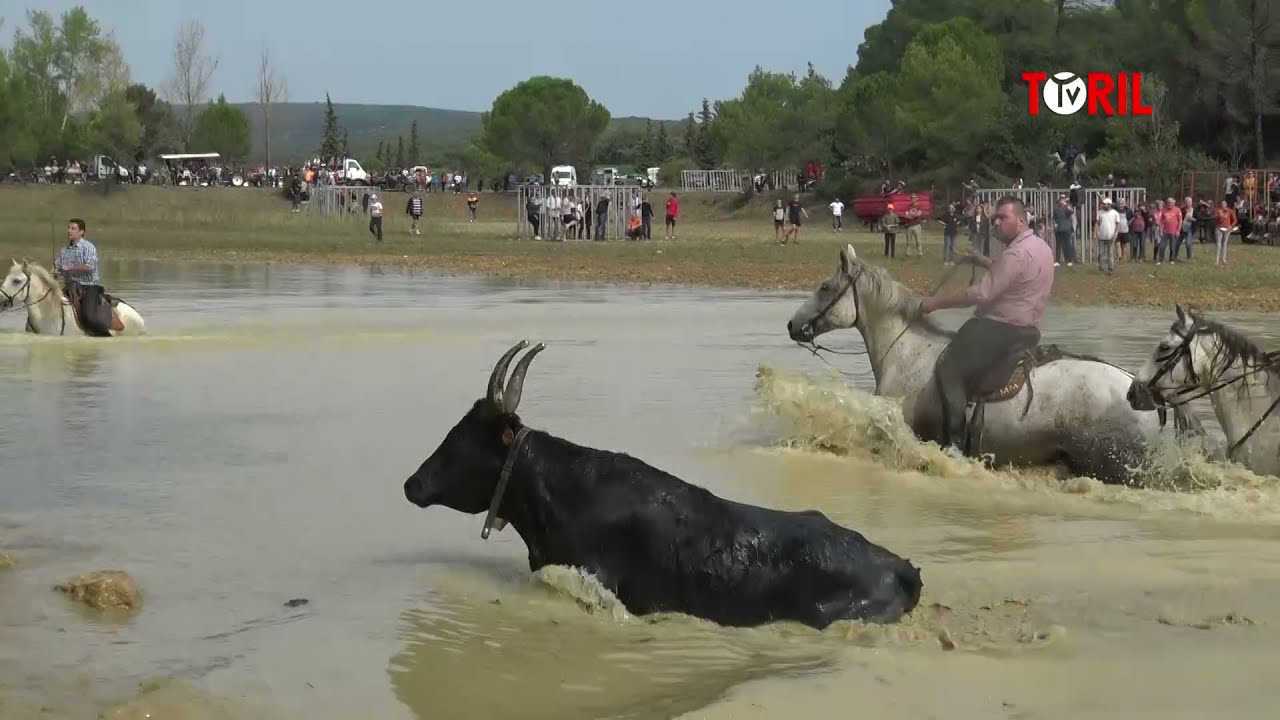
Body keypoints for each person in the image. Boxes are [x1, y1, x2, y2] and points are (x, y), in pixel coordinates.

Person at [916, 196, 1055, 453]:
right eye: (994, 219)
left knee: (949, 369)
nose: (997, 223)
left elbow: (981, 294)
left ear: (1021, 221)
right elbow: (1014, 273)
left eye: (1003, 217)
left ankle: (953, 448)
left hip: (999, 330)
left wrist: (934, 303)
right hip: (1029, 331)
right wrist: (983, 261)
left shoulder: (1015, 253)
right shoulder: (1040, 247)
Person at [55, 218, 113, 336]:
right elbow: (59, 268)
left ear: (82, 232)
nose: (69, 231)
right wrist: (56, 273)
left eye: (73, 228)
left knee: (89, 316)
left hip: (89, 288)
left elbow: (90, 266)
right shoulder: (64, 251)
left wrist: (69, 268)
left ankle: (105, 336)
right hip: (69, 288)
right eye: (68, 228)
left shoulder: (88, 247)